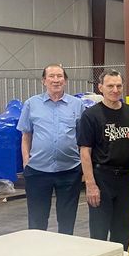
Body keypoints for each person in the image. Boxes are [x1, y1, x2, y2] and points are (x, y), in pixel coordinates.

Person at [77, 70, 129, 256]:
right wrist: (90, 184)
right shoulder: (91, 116)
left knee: (123, 227)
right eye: (110, 86)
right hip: (101, 177)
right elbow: (85, 151)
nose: (115, 90)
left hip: (125, 177)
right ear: (101, 88)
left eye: (118, 86)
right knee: (99, 228)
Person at [17, 63, 86, 234]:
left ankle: (64, 255)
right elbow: (26, 135)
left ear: (65, 80)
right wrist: (26, 161)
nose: (56, 80)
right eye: (51, 76)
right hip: (38, 170)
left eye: (59, 76)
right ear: (44, 81)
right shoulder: (32, 104)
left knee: (67, 220)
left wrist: (83, 166)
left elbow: (83, 137)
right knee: (37, 220)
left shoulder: (77, 105)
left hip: (69, 171)